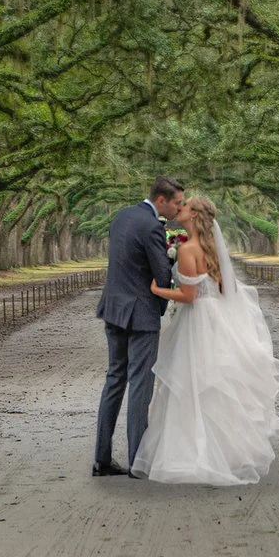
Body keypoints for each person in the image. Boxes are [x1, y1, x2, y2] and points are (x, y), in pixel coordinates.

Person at [133, 195, 279, 486]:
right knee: (214, 386)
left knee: (192, 385)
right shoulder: (211, 248)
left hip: (197, 322)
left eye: (186, 206)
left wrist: (157, 290)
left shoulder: (189, 250)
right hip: (217, 321)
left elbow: (189, 297)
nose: (180, 209)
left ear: (194, 216)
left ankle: (193, 455)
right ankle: (226, 452)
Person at [92, 175, 185, 477]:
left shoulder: (122, 217)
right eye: (176, 203)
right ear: (161, 200)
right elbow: (160, 272)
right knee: (140, 385)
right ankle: (137, 462)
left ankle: (101, 459)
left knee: (114, 379)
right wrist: (176, 267)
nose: (177, 209)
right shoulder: (152, 227)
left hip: (114, 309)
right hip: (140, 314)